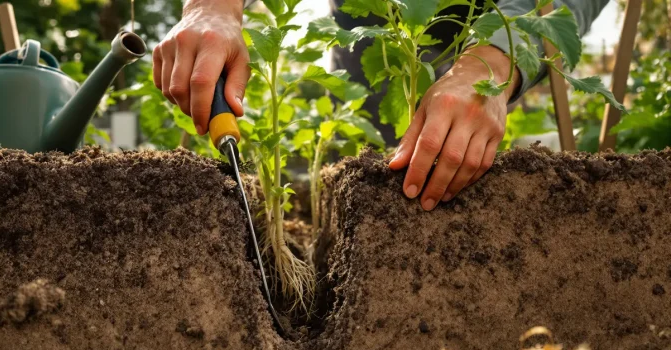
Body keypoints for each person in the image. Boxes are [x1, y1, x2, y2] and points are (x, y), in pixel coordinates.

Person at [153, 0, 608, 210]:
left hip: (488, 21)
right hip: (377, 31)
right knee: (368, 188)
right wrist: (212, 7)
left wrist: (489, 68)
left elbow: (557, 10)